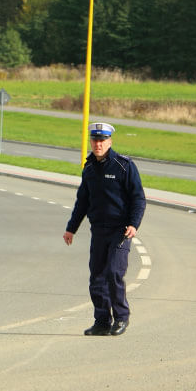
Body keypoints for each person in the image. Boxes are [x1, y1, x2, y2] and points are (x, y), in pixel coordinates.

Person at [63, 122, 146, 336]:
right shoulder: (89, 168)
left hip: (120, 230)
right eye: (95, 140)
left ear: (109, 141)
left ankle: (121, 318)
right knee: (97, 277)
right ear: (91, 141)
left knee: (113, 273)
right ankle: (101, 321)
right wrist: (71, 228)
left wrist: (134, 224)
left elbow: (138, 198)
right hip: (98, 231)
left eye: (102, 140)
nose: (98, 144)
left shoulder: (124, 166)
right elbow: (82, 201)